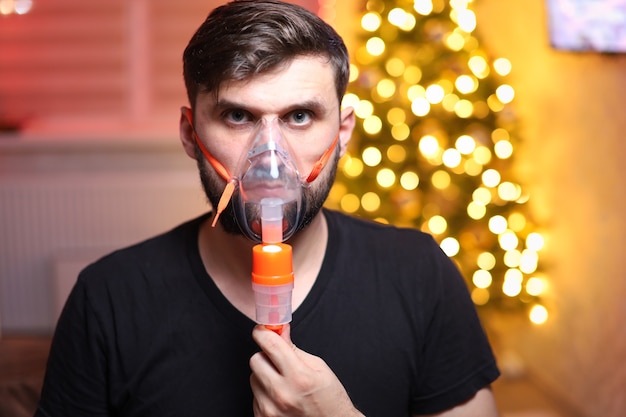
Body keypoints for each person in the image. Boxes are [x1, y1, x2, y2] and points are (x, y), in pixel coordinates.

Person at [35, 1, 501, 416]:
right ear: (189, 134)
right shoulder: (109, 299)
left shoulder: (419, 274)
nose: (270, 157)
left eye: (300, 116)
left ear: (341, 133)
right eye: (238, 116)